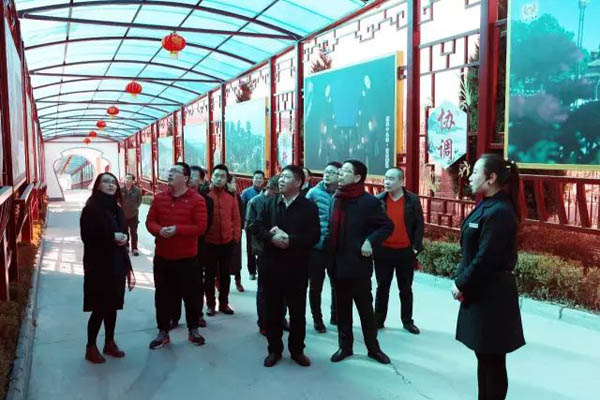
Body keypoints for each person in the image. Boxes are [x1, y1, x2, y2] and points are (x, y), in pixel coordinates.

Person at [451, 154, 525, 400]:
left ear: (491, 178)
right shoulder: (488, 205)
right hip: (481, 292)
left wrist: (461, 283)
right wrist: (462, 278)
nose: (470, 177)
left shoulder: (500, 211)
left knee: (492, 361)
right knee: (484, 357)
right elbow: (471, 251)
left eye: (475, 172)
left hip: (492, 296)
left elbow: (486, 257)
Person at [248, 165, 320, 368]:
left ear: (298, 182)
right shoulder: (269, 203)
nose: (280, 180)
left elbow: (314, 236)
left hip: (297, 268)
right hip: (271, 266)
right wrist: (271, 237)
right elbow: (255, 226)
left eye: (286, 177)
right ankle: (274, 350)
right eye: (280, 177)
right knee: (272, 311)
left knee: (297, 313)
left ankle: (297, 350)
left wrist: (290, 240)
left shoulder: (309, 207)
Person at [328, 160, 393, 365]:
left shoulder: (369, 202)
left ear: (357, 177)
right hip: (337, 263)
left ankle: (373, 349)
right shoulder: (336, 198)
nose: (340, 174)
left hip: (358, 265)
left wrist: (370, 241)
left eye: (346, 171)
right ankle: (345, 347)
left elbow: (387, 226)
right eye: (341, 171)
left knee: (365, 311)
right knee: (342, 309)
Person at [146, 162, 208, 349]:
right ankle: (163, 331)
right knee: (162, 296)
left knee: (191, 296)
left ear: (186, 178)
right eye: (170, 170)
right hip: (163, 257)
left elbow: (201, 227)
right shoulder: (159, 198)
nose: (170, 173)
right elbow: (150, 221)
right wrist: (159, 230)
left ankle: (193, 330)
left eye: (175, 171)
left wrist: (178, 229)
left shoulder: (197, 200)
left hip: (187, 259)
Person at [80, 172, 134, 363]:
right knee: (99, 307)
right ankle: (90, 347)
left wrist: (125, 238)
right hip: (99, 265)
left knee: (113, 306)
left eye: (113, 182)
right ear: (98, 185)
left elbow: (124, 231)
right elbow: (87, 237)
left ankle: (109, 342)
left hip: (117, 264)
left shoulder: (117, 209)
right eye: (106, 182)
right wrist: (112, 237)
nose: (111, 185)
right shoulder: (91, 209)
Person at [373, 167, 424, 334]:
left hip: (405, 252)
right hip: (383, 251)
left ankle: (407, 321)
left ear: (401, 181)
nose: (387, 182)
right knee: (382, 287)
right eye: (386, 178)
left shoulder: (412, 200)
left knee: (406, 288)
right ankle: (378, 320)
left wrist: (415, 247)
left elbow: (419, 225)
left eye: (391, 178)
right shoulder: (379, 200)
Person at [169, 165, 213, 329]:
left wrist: (184, 232)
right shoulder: (173, 197)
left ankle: (197, 315)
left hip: (197, 248)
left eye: (195, 176)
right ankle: (174, 316)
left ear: (201, 180)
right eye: (189, 175)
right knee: (174, 284)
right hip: (174, 247)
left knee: (195, 285)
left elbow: (205, 226)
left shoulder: (207, 200)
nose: (191, 178)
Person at [245, 175, 288, 335]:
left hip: (281, 251)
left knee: (282, 289)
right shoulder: (255, 202)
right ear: (270, 189)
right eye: (276, 192)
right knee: (264, 290)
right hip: (264, 250)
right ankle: (263, 322)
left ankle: (281, 318)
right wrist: (269, 235)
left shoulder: (283, 202)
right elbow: (250, 226)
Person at [305, 161, 341, 333]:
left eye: (332, 172)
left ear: (340, 175)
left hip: (336, 248)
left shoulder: (342, 194)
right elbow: (303, 216)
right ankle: (317, 319)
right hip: (317, 247)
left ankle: (335, 316)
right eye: (326, 172)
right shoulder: (313, 193)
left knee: (337, 284)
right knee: (316, 286)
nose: (327, 175)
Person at [204, 164, 241, 315]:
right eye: (216, 176)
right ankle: (210, 304)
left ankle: (224, 303)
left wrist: (235, 237)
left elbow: (236, 218)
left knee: (225, 275)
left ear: (226, 179)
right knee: (209, 275)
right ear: (211, 177)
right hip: (209, 242)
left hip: (227, 242)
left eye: (222, 176)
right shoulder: (205, 194)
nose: (219, 179)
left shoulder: (231, 196)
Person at [241, 170, 265, 280]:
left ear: (263, 180)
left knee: (262, 247)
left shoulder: (266, 193)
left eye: (260, 178)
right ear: (252, 179)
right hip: (250, 225)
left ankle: (261, 269)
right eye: (256, 178)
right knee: (250, 249)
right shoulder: (246, 193)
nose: (258, 180)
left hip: (263, 225)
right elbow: (242, 210)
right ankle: (252, 271)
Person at [227, 175, 245, 293]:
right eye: (233, 182)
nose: (235, 185)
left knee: (236, 258)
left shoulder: (237, 196)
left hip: (236, 231)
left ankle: (238, 280)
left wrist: (239, 229)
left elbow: (241, 214)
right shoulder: (221, 195)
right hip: (223, 231)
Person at [121, 173, 142, 256]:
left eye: (129, 178)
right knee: (124, 231)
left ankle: (134, 248)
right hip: (123, 215)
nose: (127, 180)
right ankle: (126, 246)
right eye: (126, 178)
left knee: (134, 232)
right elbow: (118, 200)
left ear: (133, 181)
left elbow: (139, 201)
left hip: (134, 215)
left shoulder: (137, 190)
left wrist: (134, 207)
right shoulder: (121, 190)